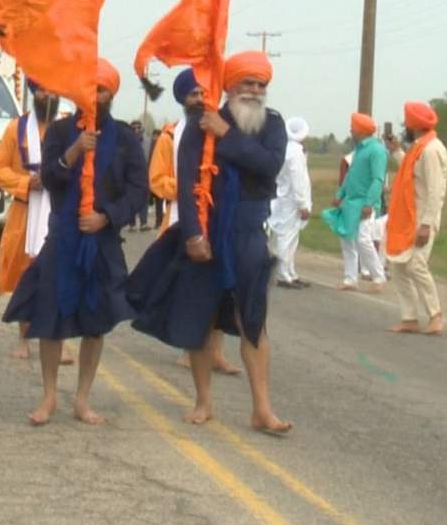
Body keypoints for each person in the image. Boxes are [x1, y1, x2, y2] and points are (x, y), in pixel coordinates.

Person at [130, 51, 292, 435]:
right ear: (230, 85)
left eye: (261, 85)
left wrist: (228, 135)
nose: (254, 91)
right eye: (247, 83)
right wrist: (192, 234)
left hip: (249, 233)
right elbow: (186, 183)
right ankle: (203, 402)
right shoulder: (200, 124)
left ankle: (262, 410)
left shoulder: (272, 124)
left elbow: (269, 166)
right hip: (206, 232)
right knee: (200, 319)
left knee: (253, 322)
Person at [3, 60, 146, 425]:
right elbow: (49, 178)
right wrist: (74, 152)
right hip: (63, 237)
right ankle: (49, 397)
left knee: (95, 323)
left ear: (111, 94)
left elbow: (137, 192)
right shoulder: (62, 131)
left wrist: (107, 216)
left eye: (100, 90)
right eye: (88, 90)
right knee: (51, 318)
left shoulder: (127, 139)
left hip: (103, 240)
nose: (94, 97)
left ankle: (82, 399)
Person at [148, 69, 240, 375]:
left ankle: (215, 352)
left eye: (203, 92)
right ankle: (190, 348)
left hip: (216, 219)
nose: (200, 98)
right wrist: (192, 189)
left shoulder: (218, 130)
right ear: (183, 99)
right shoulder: (169, 136)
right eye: (193, 94)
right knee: (189, 289)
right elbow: (158, 181)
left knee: (220, 287)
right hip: (181, 219)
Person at [0, 78, 75, 365]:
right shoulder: (16, 128)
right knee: (24, 272)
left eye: (52, 88)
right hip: (24, 211)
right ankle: (25, 336)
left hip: (59, 210)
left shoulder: (68, 128)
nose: (47, 94)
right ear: (34, 93)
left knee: (59, 273)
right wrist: (27, 182)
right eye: (41, 89)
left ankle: (58, 341)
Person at [384, 102, 447, 335]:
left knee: (416, 264)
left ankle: (435, 314)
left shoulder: (431, 149)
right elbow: (411, 171)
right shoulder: (420, 148)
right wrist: (396, 151)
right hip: (409, 217)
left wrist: (426, 225)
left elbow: (434, 191)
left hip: (422, 218)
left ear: (414, 124)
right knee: (399, 265)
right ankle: (409, 317)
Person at [322, 113, 387, 292]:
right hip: (350, 202)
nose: (351, 131)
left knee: (363, 239)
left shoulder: (377, 150)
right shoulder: (359, 149)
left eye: (353, 128)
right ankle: (350, 279)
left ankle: (378, 277)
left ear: (360, 130)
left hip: (364, 204)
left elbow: (377, 180)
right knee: (346, 240)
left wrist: (370, 203)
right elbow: (350, 176)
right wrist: (340, 194)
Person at [268, 117, 312, 288]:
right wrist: (303, 204)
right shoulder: (295, 153)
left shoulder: (286, 149)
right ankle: (283, 274)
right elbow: (297, 180)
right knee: (286, 237)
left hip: (284, 198)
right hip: (291, 201)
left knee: (290, 237)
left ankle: (290, 272)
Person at [129, 119, 151, 231]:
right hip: (130, 175)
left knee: (144, 199)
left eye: (138, 127)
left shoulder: (148, 141)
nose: (136, 130)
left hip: (145, 174)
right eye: (134, 128)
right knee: (131, 199)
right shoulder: (127, 141)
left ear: (142, 128)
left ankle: (143, 223)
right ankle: (132, 224)